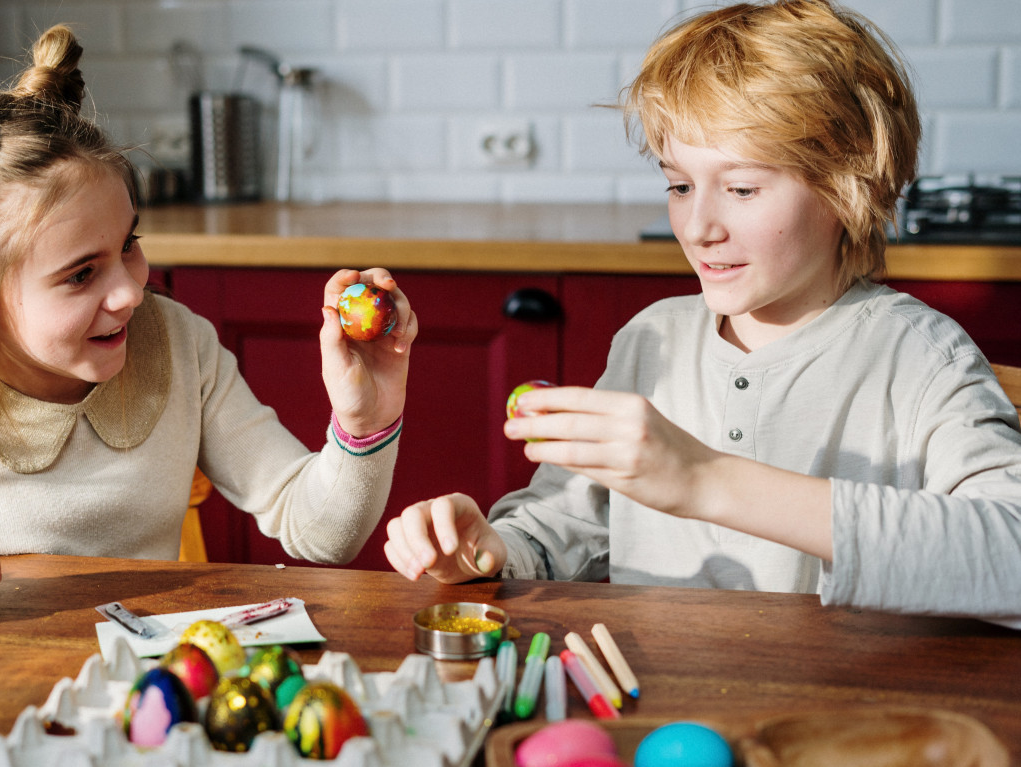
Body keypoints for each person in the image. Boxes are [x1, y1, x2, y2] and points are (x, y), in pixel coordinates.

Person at [0, 25, 416, 621]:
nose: (130, 290)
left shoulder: (180, 347)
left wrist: (364, 423)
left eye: (129, 242)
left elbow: (320, 533)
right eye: (80, 274)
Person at [383, 0, 1021, 627]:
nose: (697, 226)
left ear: (847, 187)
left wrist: (705, 480)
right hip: (657, 702)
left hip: (838, 723)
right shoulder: (652, 340)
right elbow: (562, 526)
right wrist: (489, 549)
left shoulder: (918, 356)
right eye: (679, 185)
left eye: (741, 189)